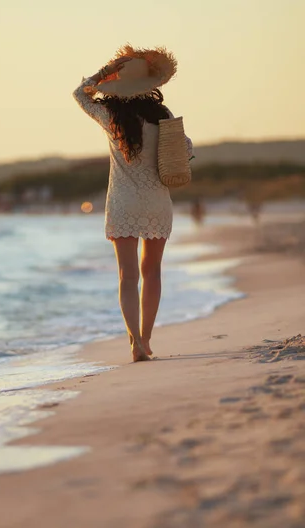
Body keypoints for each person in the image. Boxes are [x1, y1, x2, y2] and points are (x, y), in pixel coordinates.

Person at [73, 45, 193, 362]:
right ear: (148, 85)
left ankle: (134, 342)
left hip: (124, 201)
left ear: (117, 84)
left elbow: (79, 94)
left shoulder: (109, 116)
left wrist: (102, 74)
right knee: (152, 272)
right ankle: (148, 339)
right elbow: (186, 147)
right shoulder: (162, 115)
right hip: (156, 201)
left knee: (127, 276)